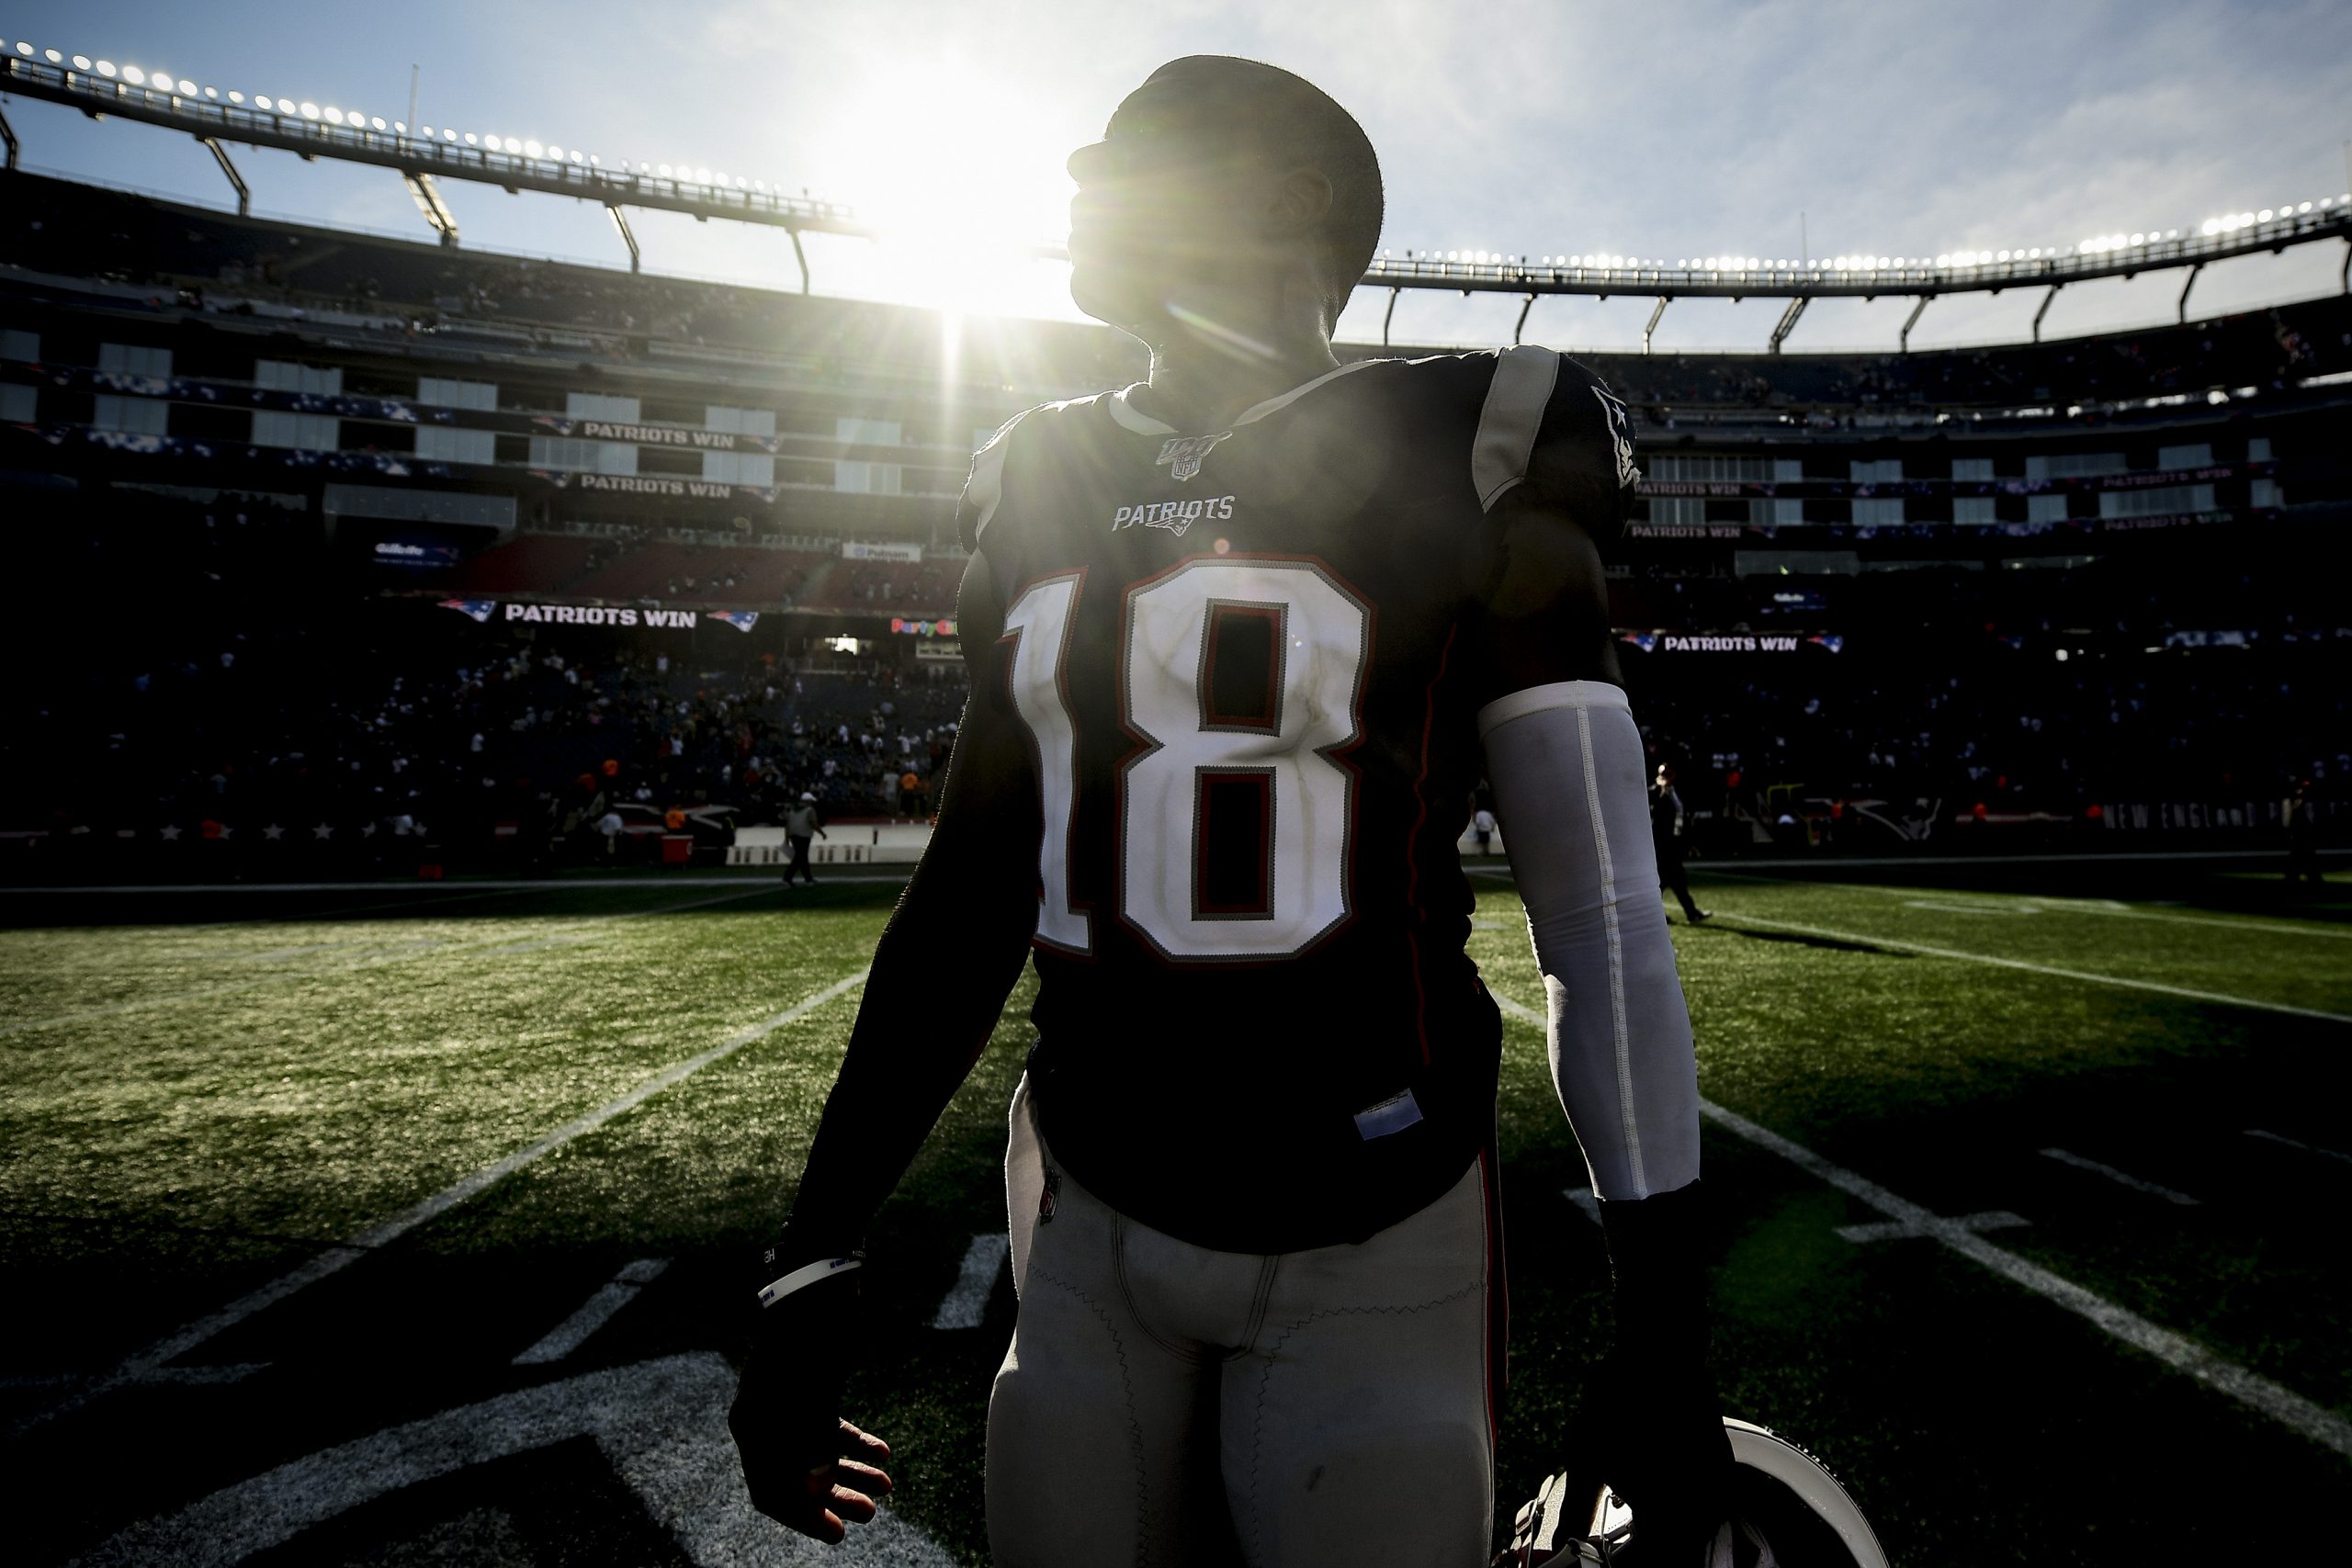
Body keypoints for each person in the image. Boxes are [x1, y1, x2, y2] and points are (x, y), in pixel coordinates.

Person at [729, 56, 1731, 1566]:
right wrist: (810, 1263)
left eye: (1136, 154)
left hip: (1375, 1214)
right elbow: (970, 893)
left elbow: (1595, 914)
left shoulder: (1480, 432)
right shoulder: (1034, 464)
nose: (1081, 178)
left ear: (1288, 202)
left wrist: (1666, 1327)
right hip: (1088, 1211)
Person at [1651, 763, 1710, 923]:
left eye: (1669, 773)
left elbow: (1684, 817)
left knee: (1674, 882)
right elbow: (1654, 817)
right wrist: (1661, 790)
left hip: (1675, 844)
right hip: (1662, 845)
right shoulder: (1655, 792)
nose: (1666, 776)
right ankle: (1688, 913)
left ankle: (1690, 913)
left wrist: (1689, 841)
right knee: (1668, 881)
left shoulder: (1677, 792)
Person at [2283, 776, 2324, 894]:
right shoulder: (2293, 799)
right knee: (2304, 855)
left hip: (2303, 833)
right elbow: (2288, 816)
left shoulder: (2300, 798)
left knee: (2303, 855)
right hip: (2299, 832)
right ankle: (2305, 876)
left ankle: (2302, 876)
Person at [782, 791, 826, 886]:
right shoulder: (810, 810)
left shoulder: (792, 810)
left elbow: (787, 824)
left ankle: (807, 878)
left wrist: (786, 838)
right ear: (808, 801)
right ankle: (788, 877)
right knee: (800, 858)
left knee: (801, 858)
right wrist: (822, 833)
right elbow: (813, 824)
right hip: (804, 836)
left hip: (794, 836)